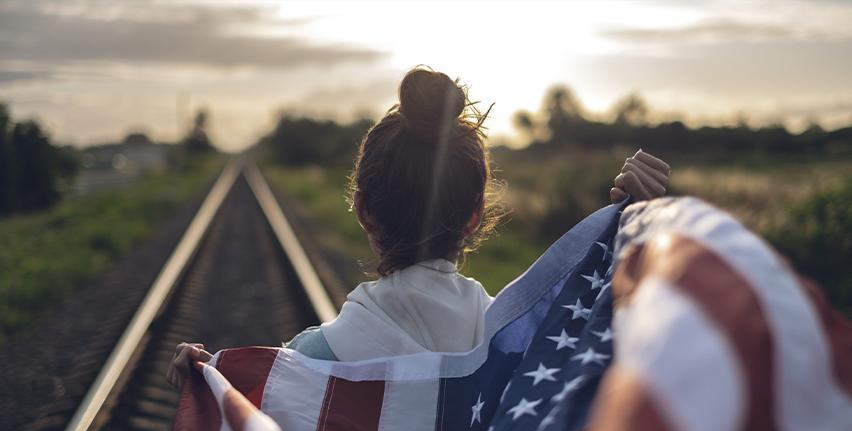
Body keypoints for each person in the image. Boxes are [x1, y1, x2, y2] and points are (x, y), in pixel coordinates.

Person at [166, 67, 670, 387]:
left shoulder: (306, 364)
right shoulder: (520, 354)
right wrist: (631, 235)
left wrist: (214, 382)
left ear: (363, 211)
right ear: (475, 216)